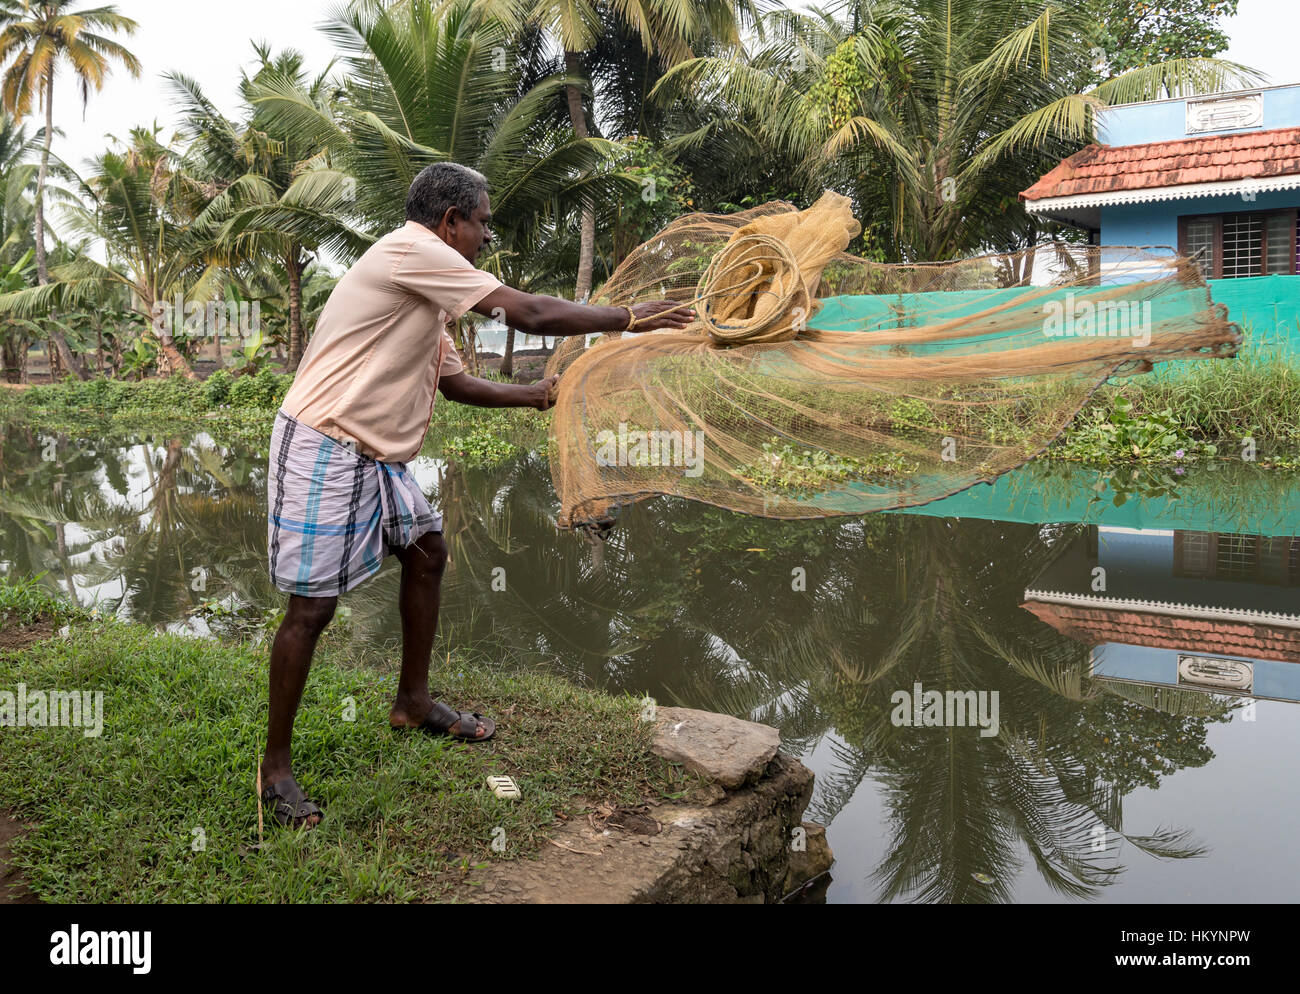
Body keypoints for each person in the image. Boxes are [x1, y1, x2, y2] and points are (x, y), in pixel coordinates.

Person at [260, 161, 693, 827]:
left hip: (377, 454)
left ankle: (412, 702)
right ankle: (275, 770)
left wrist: (535, 395)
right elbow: (530, 310)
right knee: (311, 610)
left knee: (428, 552)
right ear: (450, 221)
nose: (488, 235)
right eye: (483, 222)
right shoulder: (415, 251)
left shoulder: (426, 285)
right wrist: (634, 317)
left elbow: (455, 383)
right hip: (328, 442)